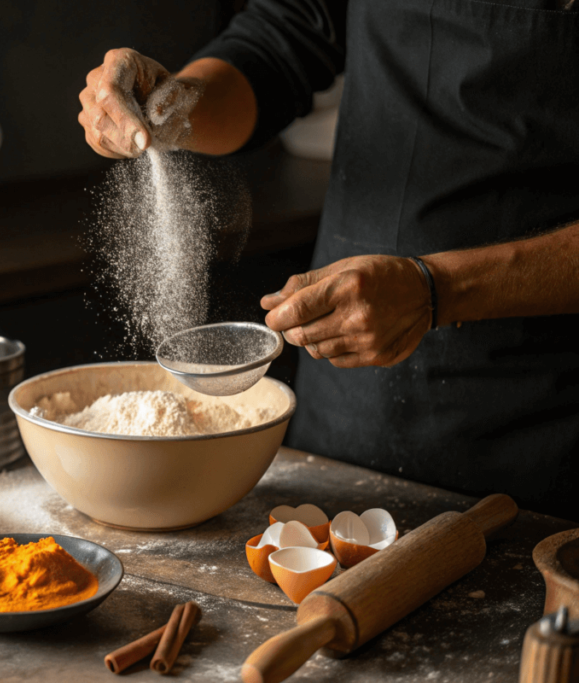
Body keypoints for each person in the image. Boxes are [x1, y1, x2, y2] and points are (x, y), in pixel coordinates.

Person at [77, 2, 579, 520]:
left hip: (536, 420)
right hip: (348, 392)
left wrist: (438, 290)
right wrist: (173, 106)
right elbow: (283, 39)